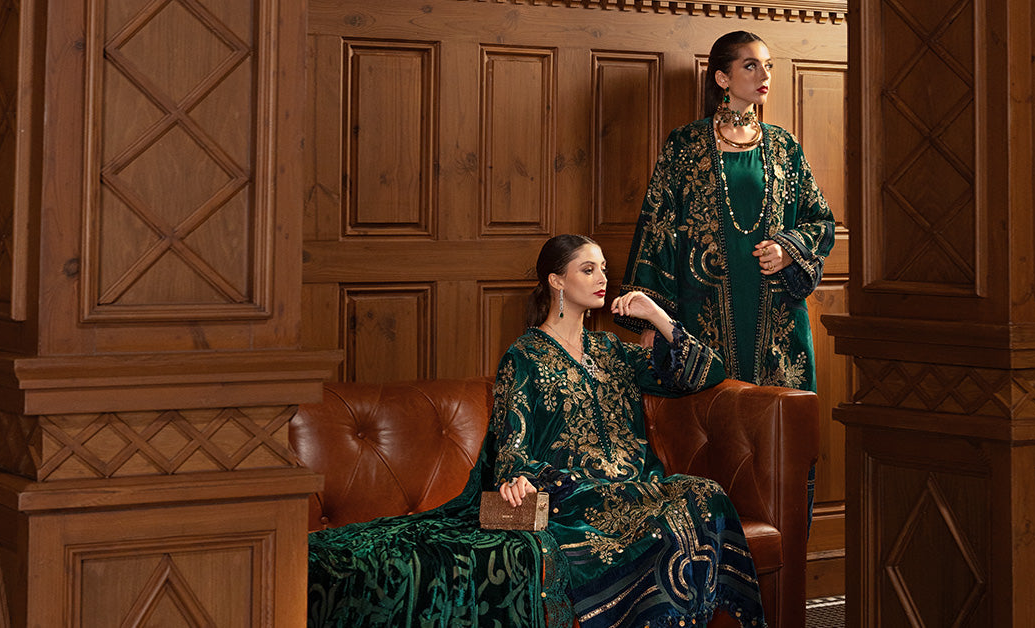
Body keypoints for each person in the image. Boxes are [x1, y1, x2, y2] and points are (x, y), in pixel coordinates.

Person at [307, 234, 766, 628]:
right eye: (588, 269)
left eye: (604, 269)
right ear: (556, 281)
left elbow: (707, 371)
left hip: (637, 485)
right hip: (573, 495)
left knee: (704, 493)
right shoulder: (524, 356)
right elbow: (513, 437)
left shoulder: (613, 351)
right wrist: (516, 477)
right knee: (665, 514)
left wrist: (656, 315)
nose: (602, 278)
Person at [616, 31, 835, 522]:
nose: (764, 76)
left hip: (778, 324)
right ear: (722, 77)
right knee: (709, 442)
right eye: (751, 66)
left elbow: (821, 221)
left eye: (768, 65)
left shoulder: (783, 147)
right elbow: (658, 229)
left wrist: (788, 249)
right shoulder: (686, 146)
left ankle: (783, 555)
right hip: (702, 317)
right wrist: (653, 320)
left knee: (781, 443)